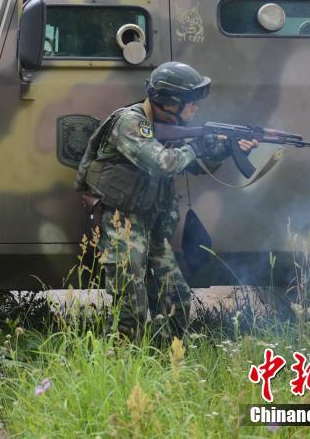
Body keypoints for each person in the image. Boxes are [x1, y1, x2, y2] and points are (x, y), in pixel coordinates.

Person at [74, 61, 257, 342]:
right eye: (191, 102)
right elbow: (165, 163)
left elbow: (196, 165)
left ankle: (168, 361)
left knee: (176, 298)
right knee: (130, 304)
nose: (195, 108)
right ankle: (124, 366)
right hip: (122, 222)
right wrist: (197, 146)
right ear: (170, 102)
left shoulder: (169, 123)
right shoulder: (131, 122)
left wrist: (225, 149)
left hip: (152, 224)